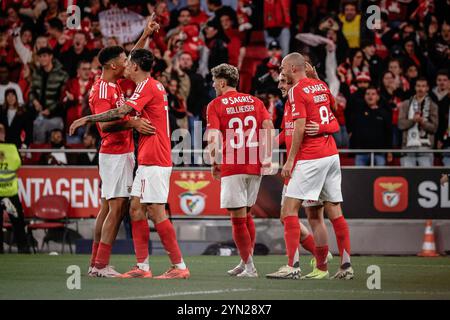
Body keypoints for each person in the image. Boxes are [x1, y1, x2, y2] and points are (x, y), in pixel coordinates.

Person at [71, 49, 190, 280]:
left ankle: (179, 265)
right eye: (123, 61)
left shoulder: (146, 86)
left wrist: (88, 118)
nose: (126, 65)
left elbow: (123, 111)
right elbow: (127, 112)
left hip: (155, 156)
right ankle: (142, 267)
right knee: (135, 209)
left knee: (155, 211)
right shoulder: (147, 85)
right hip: (143, 156)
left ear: (134, 67)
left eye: (129, 62)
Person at [279, 53, 353, 280]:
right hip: (331, 155)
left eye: (283, 68)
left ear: (292, 68)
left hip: (310, 157)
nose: (281, 73)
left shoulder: (296, 91)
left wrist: (290, 161)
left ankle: (292, 266)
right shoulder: (320, 85)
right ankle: (342, 266)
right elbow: (332, 114)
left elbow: (300, 127)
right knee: (331, 212)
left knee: (288, 211)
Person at [206, 63, 274, 278]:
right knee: (246, 215)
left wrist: (214, 162)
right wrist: (268, 157)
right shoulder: (255, 101)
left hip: (233, 163)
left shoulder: (215, 104)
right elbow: (269, 129)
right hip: (254, 164)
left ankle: (250, 267)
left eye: (215, 81)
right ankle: (246, 262)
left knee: (237, 218)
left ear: (223, 82)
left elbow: (214, 138)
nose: (214, 85)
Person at [266, 69, 335, 280]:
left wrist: (289, 161)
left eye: (284, 82)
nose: (280, 86)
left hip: (304, 166)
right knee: (287, 216)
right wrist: (266, 144)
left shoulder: (300, 100)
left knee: (295, 214)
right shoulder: (289, 104)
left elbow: (306, 129)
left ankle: (294, 265)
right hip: (299, 165)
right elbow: (287, 134)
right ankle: (320, 254)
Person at [0, 123, 30, 254]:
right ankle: (23, 249)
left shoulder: (11, 147)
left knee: (18, 223)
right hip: (10, 193)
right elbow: (17, 164)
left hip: (8, 193)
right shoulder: (11, 148)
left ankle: (20, 249)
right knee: (18, 223)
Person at [30, 47, 69, 143]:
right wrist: (34, 101)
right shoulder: (36, 73)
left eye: (45, 56)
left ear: (51, 57)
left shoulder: (62, 74)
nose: (42, 59)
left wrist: (50, 109)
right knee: (39, 144)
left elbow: (63, 97)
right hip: (38, 115)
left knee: (56, 143)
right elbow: (32, 91)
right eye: (40, 56)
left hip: (56, 116)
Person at [398, 78, 439, 167]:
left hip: (425, 148)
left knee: (426, 177)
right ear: (415, 87)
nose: (421, 89)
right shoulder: (406, 104)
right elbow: (400, 125)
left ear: (427, 88)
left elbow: (434, 128)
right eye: (418, 86)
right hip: (408, 147)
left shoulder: (433, 105)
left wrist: (422, 122)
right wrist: (413, 121)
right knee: (407, 177)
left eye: (423, 86)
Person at [350, 87, 392, 166]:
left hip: (379, 152)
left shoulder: (384, 113)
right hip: (361, 152)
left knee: (380, 177)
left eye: (373, 94)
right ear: (364, 97)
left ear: (378, 97)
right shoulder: (358, 112)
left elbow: (388, 133)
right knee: (358, 176)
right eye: (368, 94)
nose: (370, 96)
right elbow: (354, 131)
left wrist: (389, 151)